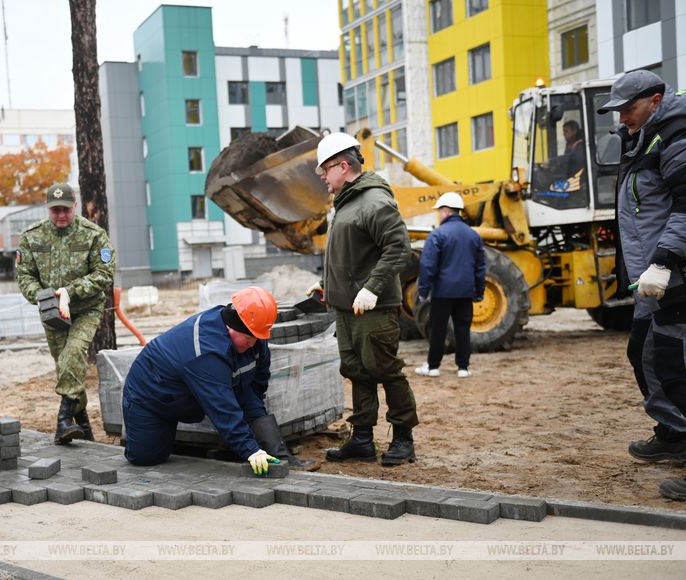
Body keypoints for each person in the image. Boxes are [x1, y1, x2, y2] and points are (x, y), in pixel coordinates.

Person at [597, 69, 686, 501]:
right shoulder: (641, 137)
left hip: (673, 273)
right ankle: (673, 432)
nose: (621, 119)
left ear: (654, 99)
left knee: (673, 363)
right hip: (651, 277)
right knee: (645, 353)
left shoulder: (675, 135)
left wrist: (666, 260)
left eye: (628, 109)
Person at [308, 132, 419, 467]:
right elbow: (347, 255)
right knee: (357, 371)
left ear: (344, 166)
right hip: (345, 308)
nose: (323, 177)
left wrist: (372, 288)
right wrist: (325, 284)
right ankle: (362, 440)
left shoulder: (373, 201)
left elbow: (398, 248)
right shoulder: (345, 204)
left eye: (325, 170)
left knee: (385, 370)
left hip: (373, 308)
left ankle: (403, 438)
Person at [122, 286, 317, 474]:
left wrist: (270, 452)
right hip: (151, 398)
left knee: (244, 392)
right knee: (146, 459)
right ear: (232, 328)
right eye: (249, 338)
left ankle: (281, 456)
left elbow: (255, 390)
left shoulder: (254, 337)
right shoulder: (206, 352)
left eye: (258, 337)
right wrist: (250, 449)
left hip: (190, 392)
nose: (254, 344)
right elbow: (222, 406)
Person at [16, 183, 115, 445]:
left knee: (73, 354)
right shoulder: (31, 237)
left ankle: (63, 421)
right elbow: (24, 275)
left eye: (65, 210)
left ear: (75, 206)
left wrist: (71, 291)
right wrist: (41, 295)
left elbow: (104, 274)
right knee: (66, 368)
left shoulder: (93, 235)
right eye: (55, 210)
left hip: (85, 309)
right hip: (53, 313)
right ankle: (84, 426)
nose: (60, 215)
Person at [414, 192, 486, 378]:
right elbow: (480, 267)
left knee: (438, 328)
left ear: (445, 212)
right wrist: (479, 291)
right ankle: (463, 368)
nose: (438, 215)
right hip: (465, 292)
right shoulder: (473, 235)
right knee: (463, 329)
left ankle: (433, 367)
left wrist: (423, 291)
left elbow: (428, 265)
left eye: (439, 211)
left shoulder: (437, 235)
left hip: (442, 293)